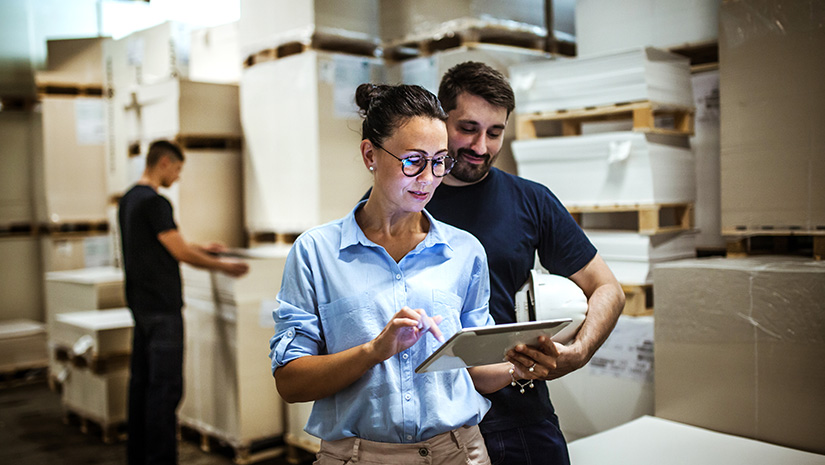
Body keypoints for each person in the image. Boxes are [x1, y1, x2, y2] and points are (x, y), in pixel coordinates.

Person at [269, 84, 538, 465]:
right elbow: (290, 382)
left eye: (439, 161)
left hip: (459, 453)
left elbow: (474, 371)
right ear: (370, 155)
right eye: (413, 160)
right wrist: (373, 351)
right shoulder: (317, 252)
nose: (428, 178)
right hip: (356, 457)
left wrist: (519, 364)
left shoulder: (464, 252)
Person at [425, 62, 627, 464]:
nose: (481, 147)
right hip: (429, 425)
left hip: (517, 418)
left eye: (495, 132)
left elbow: (608, 289)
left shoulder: (530, 200)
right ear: (439, 119)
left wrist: (578, 352)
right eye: (467, 128)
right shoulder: (404, 200)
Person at [118, 139, 249, 465]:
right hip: (163, 309)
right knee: (165, 390)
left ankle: (139, 456)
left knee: (142, 386)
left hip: (141, 307)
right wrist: (225, 266)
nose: (176, 177)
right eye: (176, 170)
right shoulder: (155, 203)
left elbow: (163, 243)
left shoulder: (129, 200)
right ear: (163, 163)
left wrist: (203, 248)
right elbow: (179, 252)